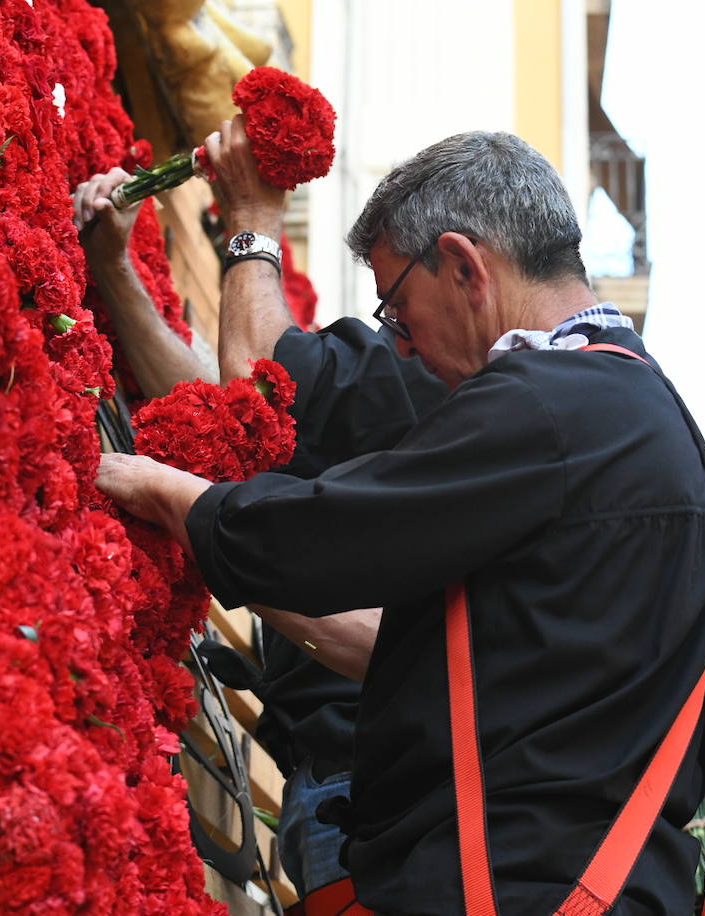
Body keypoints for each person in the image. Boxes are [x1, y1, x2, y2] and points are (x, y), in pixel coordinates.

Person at [97, 130, 705, 915]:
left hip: (510, 884)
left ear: (465, 267)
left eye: (396, 305)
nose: (399, 341)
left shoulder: (553, 403)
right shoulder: (638, 407)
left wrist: (157, 491)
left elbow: (327, 536)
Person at [72, 161, 426, 909]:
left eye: (394, 293)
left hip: (387, 806)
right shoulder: (396, 372)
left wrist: (253, 224)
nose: (385, 315)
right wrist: (114, 271)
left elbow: (249, 373)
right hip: (339, 790)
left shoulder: (457, 391)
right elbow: (232, 419)